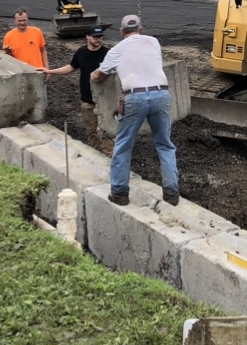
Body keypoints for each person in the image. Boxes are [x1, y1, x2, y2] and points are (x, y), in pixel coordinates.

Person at [91, 14, 179, 207]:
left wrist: (93, 74)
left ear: (122, 32)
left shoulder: (117, 50)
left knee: (123, 145)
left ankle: (120, 193)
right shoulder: (154, 42)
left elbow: (98, 76)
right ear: (142, 29)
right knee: (165, 144)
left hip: (135, 97)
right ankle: (172, 194)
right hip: (161, 94)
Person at [38, 24, 110, 153]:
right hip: (87, 101)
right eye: (95, 37)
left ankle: (110, 159)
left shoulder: (108, 54)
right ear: (87, 37)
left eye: (100, 37)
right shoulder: (81, 53)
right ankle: (98, 156)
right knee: (92, 133)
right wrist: (50, 71)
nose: (98, 40)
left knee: (108, 133)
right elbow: (71, 67)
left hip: (105, 101)